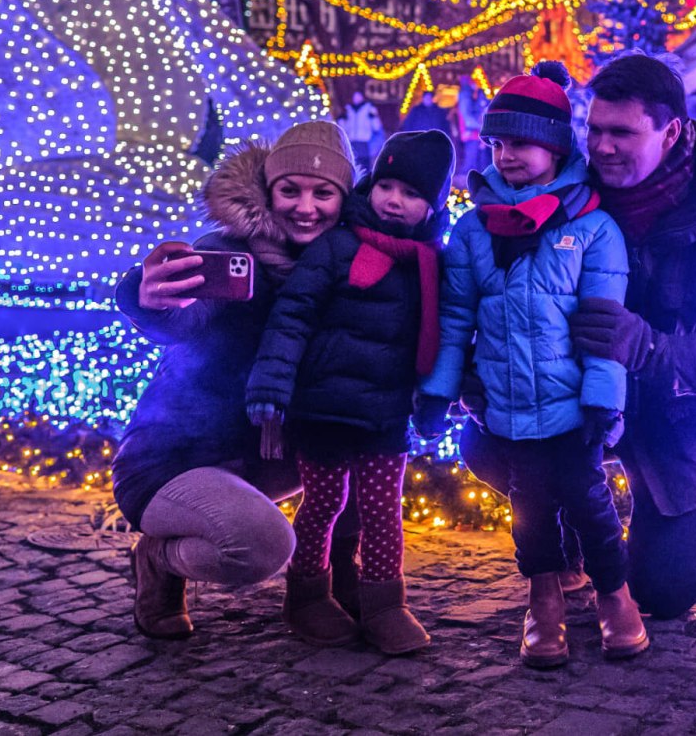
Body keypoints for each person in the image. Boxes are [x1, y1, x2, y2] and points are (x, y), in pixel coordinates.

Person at [459, 52, 696, 623]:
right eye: (594, 130)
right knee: (485, 444)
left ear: (671, 132)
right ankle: (568, 540)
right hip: (582, 402)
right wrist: (479, 368)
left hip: (685, 421)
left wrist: (654, 350)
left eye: (622, 133)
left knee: (661, 595)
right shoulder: (570, 200)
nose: (603, 147)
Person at [418, 61, 646, 668]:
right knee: (530, 512)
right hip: (506, 403)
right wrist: (440, 390)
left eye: (519, 142)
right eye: (496, 143)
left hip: (572, 404)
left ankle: (613, 594)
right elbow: (455, 319)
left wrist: (604, 398)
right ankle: (543, 598)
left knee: (590, 503)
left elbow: (604, 326)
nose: (506, 155)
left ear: (554, 145)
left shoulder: (593, 228)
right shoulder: (472, 232)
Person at [113, 121, 358, 640]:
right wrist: (148, 296)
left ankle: (330, 594)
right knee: (260, 546)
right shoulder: (229, 254)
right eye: (290, 190)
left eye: (324, 193)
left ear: (345, 199)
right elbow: (184, 318)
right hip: (176, 459)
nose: (305, 207)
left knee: (365, 445)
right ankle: (159, 559)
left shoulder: (341, 266)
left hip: (266, 460)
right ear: (268, 193)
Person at [244, 129, 455, 651]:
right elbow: (292, 316)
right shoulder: (337, 246)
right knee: (323, 503)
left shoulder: (428, 263)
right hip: (323, 410)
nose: (394, 200)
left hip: (383, 415)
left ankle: (384, 602)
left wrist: (435, 399)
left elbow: (445, 331)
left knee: (384, 511)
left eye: (411, 194)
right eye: (386, 185)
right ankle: (307, 593)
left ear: (431, 207)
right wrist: (271, 383)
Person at [338, 89, 384, 165]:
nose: (356, 99)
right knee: (352, 162)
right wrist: (341, 120)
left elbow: (376, 126)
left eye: (358, 97)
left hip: (364, 141)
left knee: (364, 163)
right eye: (355, 97)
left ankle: (365, 176)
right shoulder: (348, 110)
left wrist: (373, 118)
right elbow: (344, 127)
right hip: (352, 141)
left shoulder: (369, 108)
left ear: (362, 97)